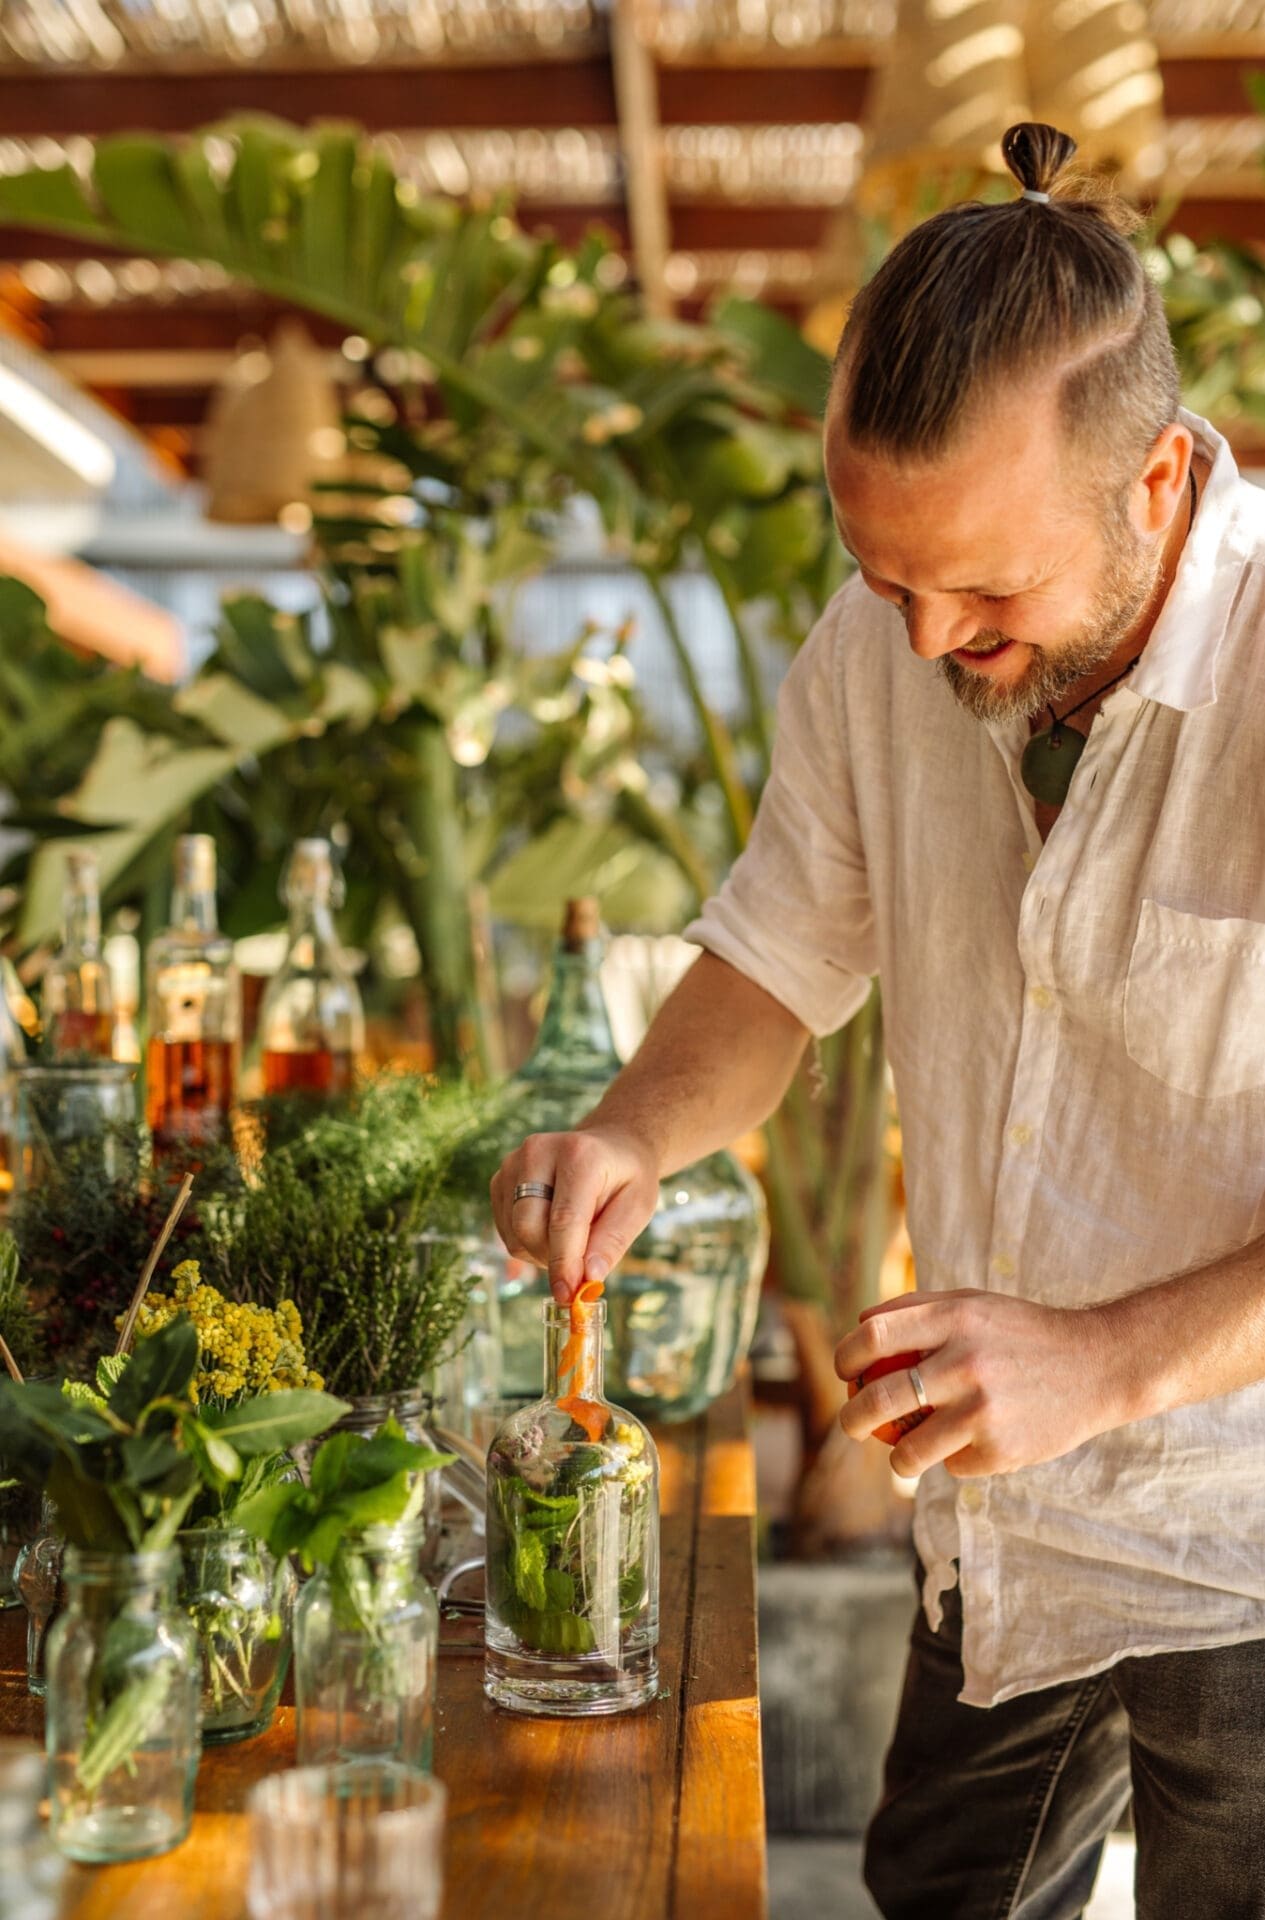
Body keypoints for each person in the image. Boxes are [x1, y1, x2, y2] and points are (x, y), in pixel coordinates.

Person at [491, 121, 1265, 1919]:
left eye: (984, 590)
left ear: (1153, 482)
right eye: (886, 576)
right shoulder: (881, 648)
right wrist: (631, 1131)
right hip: (1005, 1536)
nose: (923, 643)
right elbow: (775, 963)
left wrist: (1102, 1362)